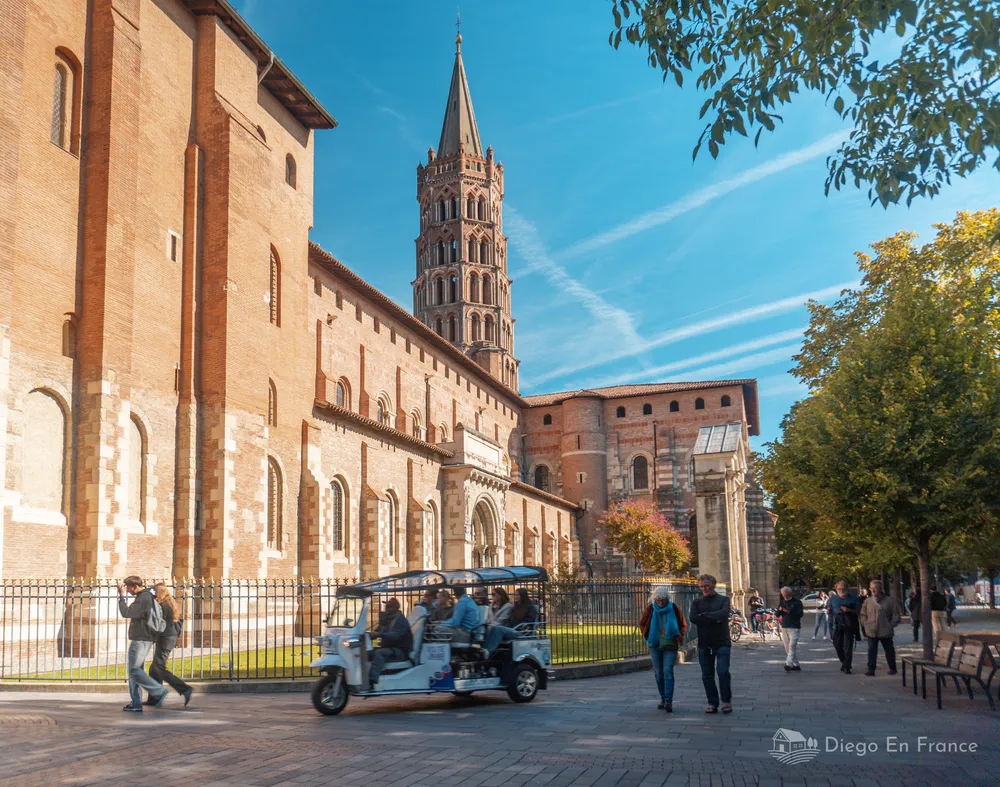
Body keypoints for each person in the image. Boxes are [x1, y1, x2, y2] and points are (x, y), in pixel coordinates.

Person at [117, 575, 169, 712]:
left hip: (141, 638)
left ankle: (155, 692)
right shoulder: (147, 597)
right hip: (145, 638)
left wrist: (121, 597)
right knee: (136, 670)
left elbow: (126, 612)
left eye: (128, 588)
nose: (127, 590)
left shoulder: (143, 599)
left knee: (134, 670)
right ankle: (136, 702)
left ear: (135, 586)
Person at [638, 585, 688, 712]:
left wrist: (679, 635)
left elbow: (683, 624)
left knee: (668, 671)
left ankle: (668, 701)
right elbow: (642, 623)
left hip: (670, 644)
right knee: (658, 673)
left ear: (667, 599)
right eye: (658, 600)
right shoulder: (650, 609)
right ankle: (663, 698)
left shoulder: (674, 608)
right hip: (654, 644)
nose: (660, 603)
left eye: (663, 600)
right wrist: (647, 634)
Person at [689, 573, 732, 714]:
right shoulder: (696, 602)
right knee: (707, 675)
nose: (704, 589)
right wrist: (714, 618)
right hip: (704, 643)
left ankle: (726, 701)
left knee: (723, 672)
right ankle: (712, 702)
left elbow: (723, 614)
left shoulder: (724, 600)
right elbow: (694, 618)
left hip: (722, 642)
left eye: (706, 586)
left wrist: (705, 615)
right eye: (701, 587)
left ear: (713, 584)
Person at [147, 583, 193, 707]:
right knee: (154, 669)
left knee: (158, 668)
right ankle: (154, 698)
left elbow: (159, 624)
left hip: (166, 638)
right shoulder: (168, 602)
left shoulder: (163, 605)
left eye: (154, 591)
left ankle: (184, 689)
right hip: (167, 638)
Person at [368, 597, 413, 688]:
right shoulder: (388, 620)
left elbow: (396, 636)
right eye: (386, 606)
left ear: (395, 608)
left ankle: (372, 681)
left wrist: (378, 634)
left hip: (400, 651)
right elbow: (378, 630)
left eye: (389, 606)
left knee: (379, 653)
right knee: (368, 652)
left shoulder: (401, 621)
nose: (386, 608)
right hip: (391, 648)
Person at [860, 579, 901, 676]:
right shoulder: (868, 601)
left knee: (889, 650)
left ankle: (892, 668)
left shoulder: (890, 601)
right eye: (871, 588)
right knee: (871, 651)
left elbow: (896, 615)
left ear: (881, 589)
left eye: (875, 588)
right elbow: (863, 614)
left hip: (885, 631)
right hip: (871, 631)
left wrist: (890, 626)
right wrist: (866, 624)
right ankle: (871, 669)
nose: (873, 590)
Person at [827, 580, 861, 674]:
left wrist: (849, 610)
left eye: (843, 588)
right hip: (837, 626)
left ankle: (847, 666)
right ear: (836, 588)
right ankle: (844, 662)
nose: (841, 590)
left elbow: (859, 611)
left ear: (847, 588)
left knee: (848, 647)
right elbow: (829, 610)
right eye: (839, 589)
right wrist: (829, 612)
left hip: (849, 626)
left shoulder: (853, 599)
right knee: (837, 645)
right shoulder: (833, 599)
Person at [776, 587, 804, 671]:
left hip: (794, 627)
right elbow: (777, 614)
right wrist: (780, 610)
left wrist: (789, 611)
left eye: (787, 595)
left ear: (790, 594)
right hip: (784, 626)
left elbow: (800, 614)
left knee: (792, 646)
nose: (785, 597)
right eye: (784, 595)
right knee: (787, 648)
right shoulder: (782, 602)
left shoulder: (797, 602)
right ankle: (796, 664)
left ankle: (788, 664)